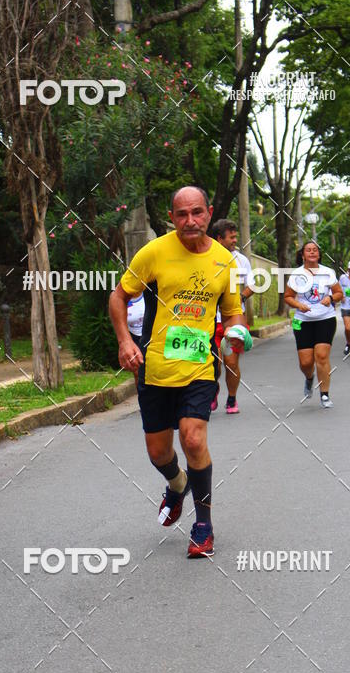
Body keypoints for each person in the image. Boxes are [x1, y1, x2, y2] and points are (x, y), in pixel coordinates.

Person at [109, 186, 249, 558]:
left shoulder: (225, 261)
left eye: (198, 212)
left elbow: (233, 310)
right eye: (182, 214)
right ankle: (176, 483)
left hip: (200, 367)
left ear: (209, 212)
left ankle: (203, 524)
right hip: (154, 368)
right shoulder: (155, 252)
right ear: (172, 217)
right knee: (159, 452)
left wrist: (237, 332)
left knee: (193, 439)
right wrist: (126, 341)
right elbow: (118, 296)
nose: (190, 221)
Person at [284, 241, 343, 408]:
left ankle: (324, 394)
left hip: (325, 318)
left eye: (315, 250)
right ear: (302, 255)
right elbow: (288, 297)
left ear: (318, 254)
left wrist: (330, 298)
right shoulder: (296, 275)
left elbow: (339, 293)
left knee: (322, 357)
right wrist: (299, 305)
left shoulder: (327, 272)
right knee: (306, 363)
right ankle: (309, 378)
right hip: (302, 321)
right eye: (308, 250)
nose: (312, 252)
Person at [210, 219, 254, 414]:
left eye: (236, 236)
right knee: (213, 363)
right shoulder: (206, 258)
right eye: (231, 237)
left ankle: (232, 397)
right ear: (219, 238)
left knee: (231, 362)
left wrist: (240, 297)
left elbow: (252, 285)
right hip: (210, 320)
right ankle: (213, 390)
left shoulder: (241, 260)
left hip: (233, 319)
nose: (235, 240)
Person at [126, 293, 145, 385]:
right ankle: (141, 397)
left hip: (149, 336)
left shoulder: (148, 294)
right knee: (137, 372)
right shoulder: (122, 299)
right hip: (133, 338)